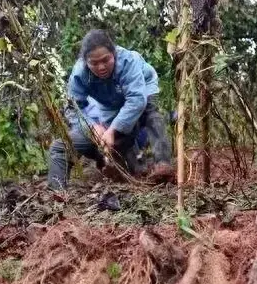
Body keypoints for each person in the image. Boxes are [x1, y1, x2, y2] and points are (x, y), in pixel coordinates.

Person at [48, 29, 174, 190]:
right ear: (85, 62)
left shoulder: (128, 61)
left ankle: (162, 164)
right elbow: (73, 108)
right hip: (109, 104)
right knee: (68, 145)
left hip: (143, 89)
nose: (101, 67)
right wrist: (92, 127)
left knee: (151, 115)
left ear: (114, 54)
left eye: (105, 60)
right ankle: (57, 193)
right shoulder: (79, 75)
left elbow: (136, 100)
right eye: (94, 63)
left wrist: (113, 129)